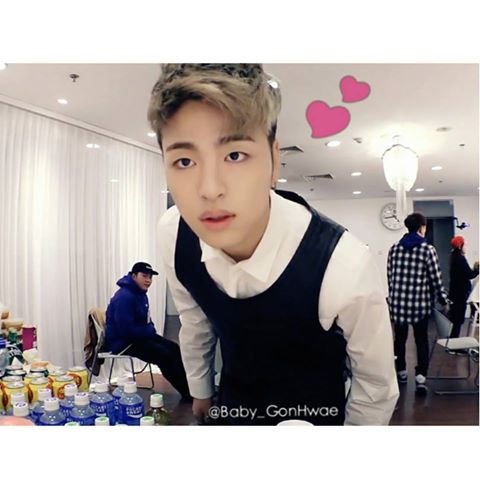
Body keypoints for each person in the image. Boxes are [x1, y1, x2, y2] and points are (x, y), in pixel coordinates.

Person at [149, 64, 399, 425]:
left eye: (234, 155)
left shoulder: (341, 263)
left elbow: (375, 387)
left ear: (273, 161)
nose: (210, 189)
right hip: (232, 408)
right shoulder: (174, 233)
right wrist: (201, 390)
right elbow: (195, 317)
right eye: (184, 161)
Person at [105, 261, 191, 398]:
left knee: (174, 348)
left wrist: (149, 330)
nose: (148, 280)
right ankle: (187, 392)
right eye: (144, 276)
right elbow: (125, 331)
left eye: (150, 277)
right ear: (134, 276)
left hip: (140, 337)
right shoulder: (125, 297)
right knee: (163, 355)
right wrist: (148, 330)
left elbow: (147, 321)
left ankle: (192, 389)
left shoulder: (141, 294)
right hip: (124, 343)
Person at [387, 213, 449, 394]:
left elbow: (390, 277)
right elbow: (436, 279)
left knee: (399, 339)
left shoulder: (394, 249)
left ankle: (401, 371)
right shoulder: (427, 249)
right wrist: (443, 300)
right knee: (421, 340)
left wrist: (394, 298)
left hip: (398, 305)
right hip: (419, 305)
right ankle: (421, 376)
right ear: (422, 227)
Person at [448, 236, 479, 338]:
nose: (465, 247)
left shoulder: (453, 257)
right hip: (460, 294)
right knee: (458, 320)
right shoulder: (460, 259)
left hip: (455, 293)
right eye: (464, 245)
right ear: (460, 246)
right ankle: (454, 342)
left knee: (456, 320)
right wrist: (477, 269)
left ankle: (453, 341)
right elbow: (469, 274)